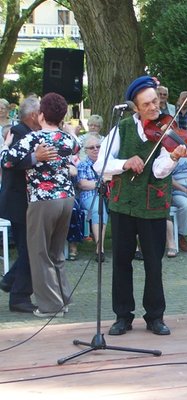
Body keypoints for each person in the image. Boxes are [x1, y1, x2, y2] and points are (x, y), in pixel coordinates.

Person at [94, 75, 187, 336]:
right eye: (147, 104)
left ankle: (155, 316)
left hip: (153, 205)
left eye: (156, 102)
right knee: (121, 262)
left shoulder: (165, 129)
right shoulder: (120, 129)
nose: (154, 108)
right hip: (123, 205)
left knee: (154, 263)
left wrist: (172, 157)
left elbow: (159, 172)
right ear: (135, 108)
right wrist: (124, 163)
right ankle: (122, 316)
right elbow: (100, 166)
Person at [1, 93, 81, 318]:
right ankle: (63, 300)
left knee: (40, 254)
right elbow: (76, 146)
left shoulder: (33, 139)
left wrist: (5, 144)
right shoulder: (67, 139)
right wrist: (71, 132)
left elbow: (6, 160)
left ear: (42, 114)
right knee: (57, 252)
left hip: (43, 200)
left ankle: (50, 306)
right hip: (66, 198)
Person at [0, 96, 56, 313]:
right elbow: (9, 163)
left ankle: (11, 280)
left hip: (23, 200)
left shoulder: (25, 132)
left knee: (29, 248)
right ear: (34, 115)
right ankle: (19, 295)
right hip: (18, 201)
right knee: (30, 249)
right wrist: (35, 157)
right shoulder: (19, 133)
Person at [77, 133, 108, 261]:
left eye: (98, 146)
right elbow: (83, 184)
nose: (95, 149)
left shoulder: (108, 162)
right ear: (86, 151)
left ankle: (135, 248)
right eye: (91, 147)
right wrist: (102, 182)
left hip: (109, 194)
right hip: (89, 195)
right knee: (98, 209)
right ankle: (99, 248)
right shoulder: (83, 165)